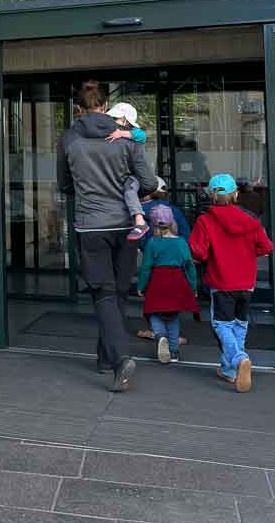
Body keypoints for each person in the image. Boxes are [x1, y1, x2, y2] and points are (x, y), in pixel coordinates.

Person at [58, 81, 159, 392]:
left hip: (91, 225)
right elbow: (148, 182)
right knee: (119, 290)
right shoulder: (126, 137)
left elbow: (64, 184)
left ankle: (118, 359)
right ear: (105, 106)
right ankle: (106, 358)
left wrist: (87, 190)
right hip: (125, 224)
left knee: (102, 292)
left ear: (79, 109)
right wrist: (128, 191)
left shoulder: (70, 138)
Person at [189, 173, 274, 393]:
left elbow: (198, 252)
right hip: (246, 283)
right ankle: (229, 370)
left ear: (211, 195)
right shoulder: (251, 220)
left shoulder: (205, 221)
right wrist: (247, 254)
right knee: (240, 325)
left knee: (222, 325)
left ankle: (238, 358)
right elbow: (266, 247)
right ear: (236, 194)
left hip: (221, 282)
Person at [137, 205, 198, 364]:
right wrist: (193, 287)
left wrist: (141, 286)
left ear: (153, 224)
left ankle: (160, 336)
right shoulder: (181, 243)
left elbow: (146, 267)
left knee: (154, 313)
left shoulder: (152, 243)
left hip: (157, 282)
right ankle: (174, 352)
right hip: (177, 282)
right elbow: (189, 266)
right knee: (173, 316)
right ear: (172, 222)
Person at [103, 102, 150, 242]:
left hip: (133, 176)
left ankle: (140, 220)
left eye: (115, 118)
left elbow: (142, 135)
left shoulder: (133, 134)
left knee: (129, 191)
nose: (112, 121)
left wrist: (121, 133)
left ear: (125, 121)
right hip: (122, 174)